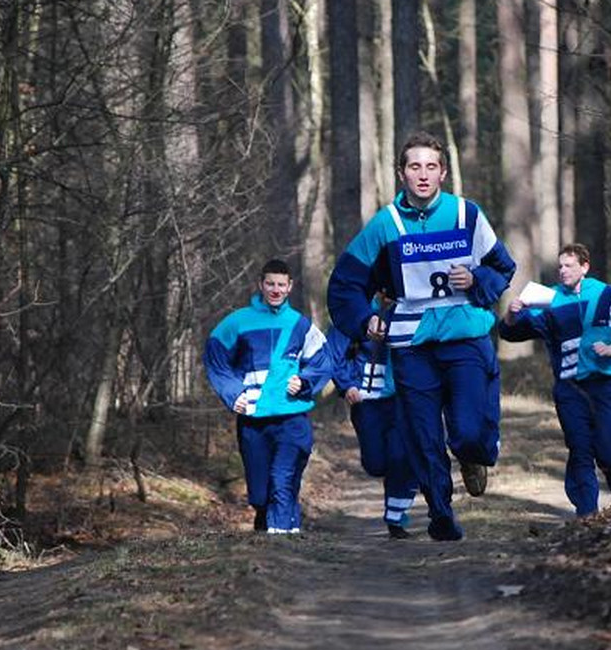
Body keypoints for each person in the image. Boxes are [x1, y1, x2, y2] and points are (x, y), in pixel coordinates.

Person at [327, 130, 515, 541]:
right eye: (415, 166)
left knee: (466, 434)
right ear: (402, 174)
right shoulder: (385, 226)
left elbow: (504, 268)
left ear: (443, 173)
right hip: (411, 347)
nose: (423, 175)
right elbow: (344, 285)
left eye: (432, 166)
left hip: (465, 339)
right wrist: (364, 320)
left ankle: (476, 456)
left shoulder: (467, 215)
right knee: (423, 435)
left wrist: (477, 276)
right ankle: (441, 515)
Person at [498, 243, 611, 518]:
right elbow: (510, 332)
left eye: (569, 265)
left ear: (585, 267)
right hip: (569, 388)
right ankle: (586, 513)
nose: (562, 271)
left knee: (606, 450)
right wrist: (512, 312)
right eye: (560, 266)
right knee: (579, 449)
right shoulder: (548, 299)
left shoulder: (609, 296)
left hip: (606, 384)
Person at [204, 259, 332, 533]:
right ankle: (271, 526)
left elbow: (323, 359)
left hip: (292, 417)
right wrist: (232, 393)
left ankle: (282, 540)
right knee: (260, 494)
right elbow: (215, 357)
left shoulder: (300, 324)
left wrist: (305, 381)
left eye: (281, 285)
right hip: (253, 419)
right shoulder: (237, 322)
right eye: (270, 284)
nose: (275, 289)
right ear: (261, 285)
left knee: (282, 479)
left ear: (290, 287)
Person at [326, 295, 418, 539]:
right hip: (367, 401)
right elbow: (334, 352)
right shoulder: (355, 309)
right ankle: (393, 481)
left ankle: (396, 519)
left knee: (402, 456)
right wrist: (347, 385)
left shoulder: (414, 305)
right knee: (376, 463)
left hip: (404, 397)